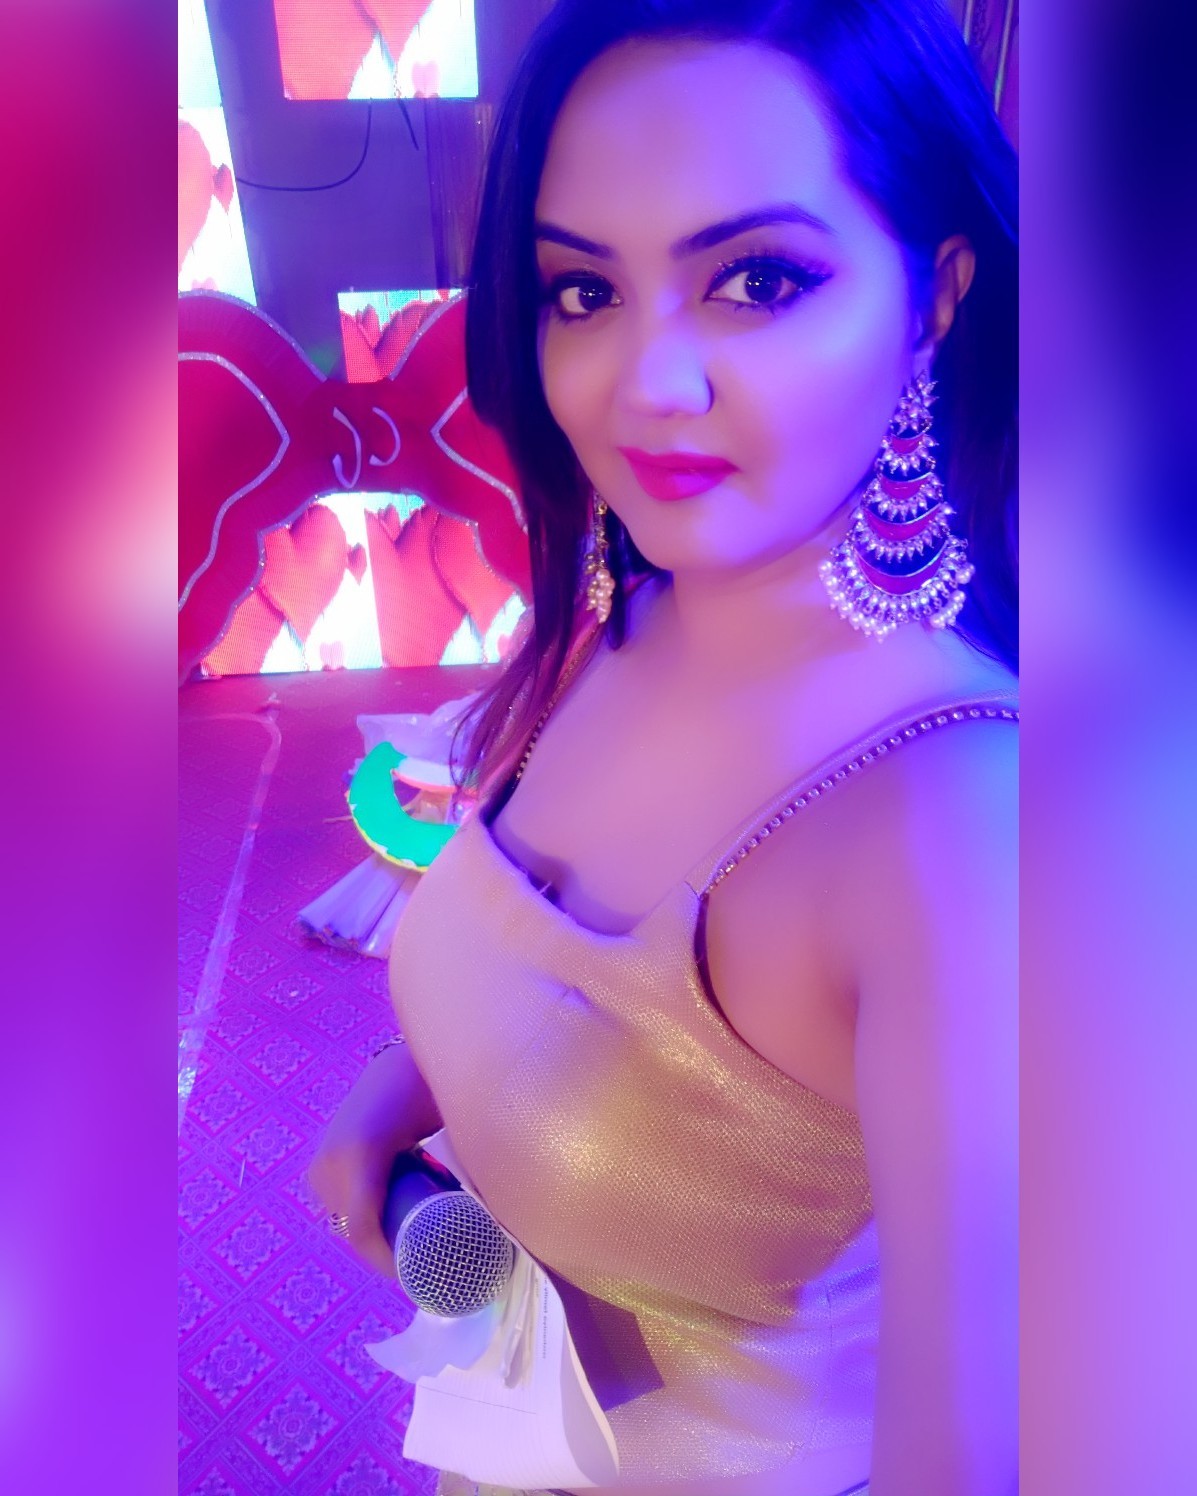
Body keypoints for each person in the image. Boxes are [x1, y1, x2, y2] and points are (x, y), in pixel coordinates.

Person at [311, 2, 1018, 1493]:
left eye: (756, 280)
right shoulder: (625, 615)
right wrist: (398, 1091)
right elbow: (546, 977)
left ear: (934, 296)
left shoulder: (960, 830)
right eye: (582, 291)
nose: (646, 385)